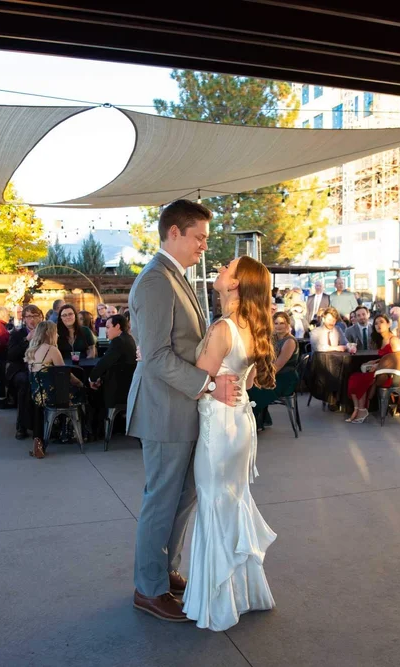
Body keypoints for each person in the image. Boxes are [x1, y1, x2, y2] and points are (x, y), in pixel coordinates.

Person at [127, 199, 241, 624]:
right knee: (162, 500)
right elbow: (157, 356)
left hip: (182, 407)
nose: (204, 246)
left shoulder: (173, 276)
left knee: (183, 497)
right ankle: (148, 588)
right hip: (164, 409)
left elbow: (175, 345)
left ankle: (164, 570)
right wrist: (210, 385)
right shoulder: (156, 280)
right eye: (199, 237)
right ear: (174, 232)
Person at [182, 254, 276, 630]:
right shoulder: (251, 326)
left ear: (235, 283)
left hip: (219, 428)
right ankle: (244, 593)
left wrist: (204, 385)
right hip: (240, 423)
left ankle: (216, 601)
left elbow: (196, 385)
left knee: (213, 504)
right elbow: (247, 382)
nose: (220, 269)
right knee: (232, 502)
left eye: (228, 268)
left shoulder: (222, 328)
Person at [24, 321, 85, 458]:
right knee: (83, 393)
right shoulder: (52, 350)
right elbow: (66, 375)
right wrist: (81, 383)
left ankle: (47, 436)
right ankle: (76, 432)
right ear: (49, 333)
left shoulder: (31, 351)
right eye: (55, 332)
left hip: (37, 395)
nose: (57, 335)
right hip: (54, 397)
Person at [345, 314, 400, 423]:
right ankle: (358, 409)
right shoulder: (382, 339)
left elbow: (398, 359)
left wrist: (378, 365)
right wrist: (375, 361)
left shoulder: (393, 339)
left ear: (388, 324)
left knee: (360, 379)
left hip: (389, 374)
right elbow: (385, 357)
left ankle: (361, 410)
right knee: (353, 377)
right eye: (376, 323)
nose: (378, 325)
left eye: (381, 322)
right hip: (380, 371)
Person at [248, 310, 299, 431]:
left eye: (282, 323)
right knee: (251, 386)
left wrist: (260, 377)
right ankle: (262, 421)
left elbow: (278, 365)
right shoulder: (274, 339)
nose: (279, 326)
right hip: (276, 375)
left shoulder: (290, 341)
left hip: (285, 378)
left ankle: (254, 424)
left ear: (288, 324)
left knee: (255, 389)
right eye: (276, 323)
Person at [9, 305, 44, 439]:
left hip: (41, 368)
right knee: (26, 382)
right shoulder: (17, 334)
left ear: (40, 317)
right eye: (29, 316)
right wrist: (26, 340)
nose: (32, 320)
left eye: (35, 316)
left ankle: (45, 425)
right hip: (21, 369)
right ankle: (21, 425)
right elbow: (11, 355)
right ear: (24, 319)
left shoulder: (46, 333)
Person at [88, 314, 136, 389]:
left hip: (119, 387)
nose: (106, 331)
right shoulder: (128, 338)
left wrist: (92, 378)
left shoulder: (118, 341)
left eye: (108, 327)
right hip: (127, 383)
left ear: (117, 326)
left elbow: (105, 362)